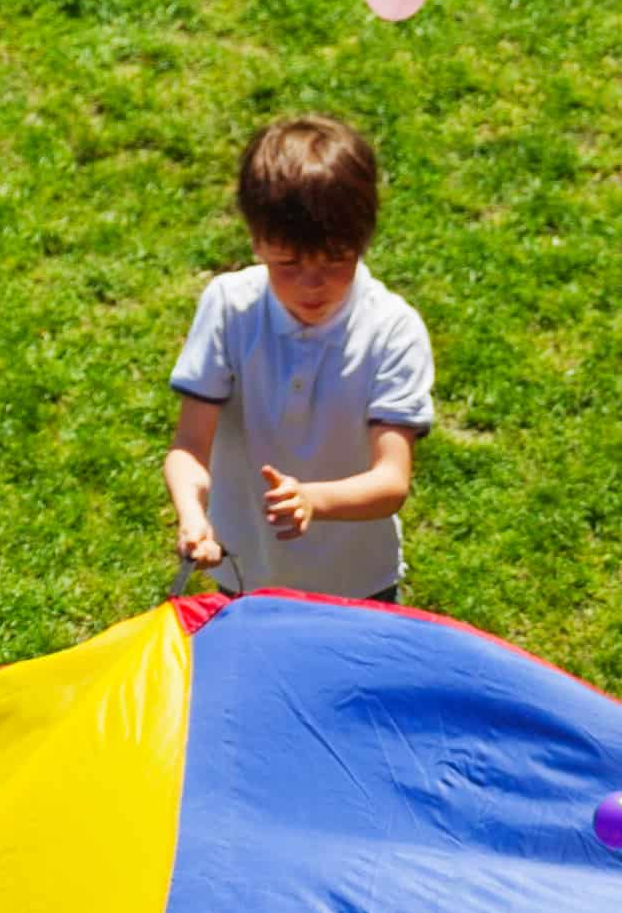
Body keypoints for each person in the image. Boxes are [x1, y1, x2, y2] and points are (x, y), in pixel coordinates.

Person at [164, 118, 436, 604]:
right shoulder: (230, 308)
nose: (312, 284)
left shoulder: (393, 330)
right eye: (288, 264)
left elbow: (392, 481)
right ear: (255, 241)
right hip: (242, 570)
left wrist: (314, 499)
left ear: (364, 241)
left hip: (357, 583)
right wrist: (192, 516)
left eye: (335, 260)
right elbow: (189, 445)